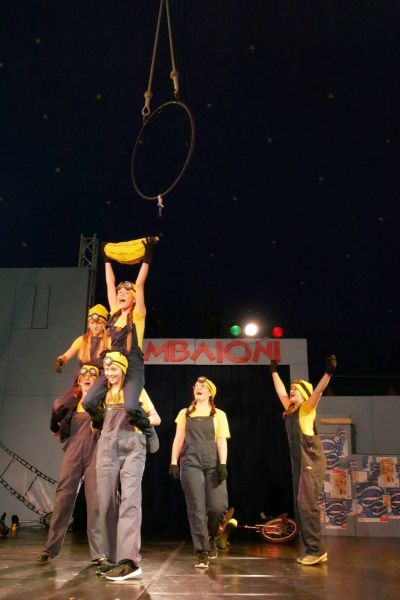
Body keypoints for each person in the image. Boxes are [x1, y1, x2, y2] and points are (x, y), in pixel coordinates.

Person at [83, 238, 158, 450]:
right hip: (113, 364)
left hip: (132, 365)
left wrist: (147, 258)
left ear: (133, 298)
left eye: (126, 292)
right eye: (120, 292)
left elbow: (140, 284)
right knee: (89, 402)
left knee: (132, 407)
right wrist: (106, 259)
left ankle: (148, 430)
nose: (121, 294)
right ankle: (99, 420)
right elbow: (109, 283)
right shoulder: (114, 313)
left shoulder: (138, 315)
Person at [94, 351, 161, 581]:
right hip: (107, 446)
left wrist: (144, 421)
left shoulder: (134, 391)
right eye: (107, 369)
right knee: (105, 502)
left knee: (129, 501)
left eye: (114, 369)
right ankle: (112, 558)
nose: (109, 373)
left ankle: (129, 561)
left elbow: (156, 418)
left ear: (123, 369)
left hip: (132, 445)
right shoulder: (102, 393)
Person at [270, 355, 337, 566]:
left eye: (296, 389)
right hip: (299, 463)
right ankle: (314, 549)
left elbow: (317, 392)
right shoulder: (290, 410)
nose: (291, 391)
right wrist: (274, 372)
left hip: (311, 461)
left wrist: (328, 373)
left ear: (304, 394)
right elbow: (280, 391)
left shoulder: (307, 409)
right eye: (292, 388)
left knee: (307, 505)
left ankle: (316, 551)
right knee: (303, 505)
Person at [38, 365, 105, 564]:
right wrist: (54, 422)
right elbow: (56, 432)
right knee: (63, 497)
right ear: (78, 380)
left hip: (96, 450)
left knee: (95, 501)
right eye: (84, 374)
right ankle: (50, 548)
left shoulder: (103, 402)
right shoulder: (70, 404)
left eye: (93, 374)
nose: (87, 377)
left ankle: (98, 553)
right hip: (73, 451)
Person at [169, 376, 232, 569]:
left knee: (218, 507)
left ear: (210, 392)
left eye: (203, 386)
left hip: (212, 462)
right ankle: (202, 551)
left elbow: (221, 440)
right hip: (191, 462)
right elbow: (179, 438)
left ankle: (212, 536)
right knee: (196, 507)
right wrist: (173, 461)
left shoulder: (219, 414)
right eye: (196, 385)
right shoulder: (185, 413)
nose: (199, 388)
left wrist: (223, 463)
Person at [52, 304, 109, 415]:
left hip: (101, 383)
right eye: (92, 323)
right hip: (82, 381)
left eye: (98, 323)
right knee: (59, 406)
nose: (94, 326)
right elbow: (67, 355)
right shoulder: (82, 340)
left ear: (104, 323)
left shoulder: (109, 341)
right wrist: (60, 361)